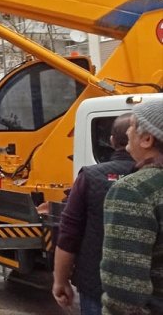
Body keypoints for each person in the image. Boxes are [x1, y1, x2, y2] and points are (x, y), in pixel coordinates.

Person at [52, 113, 135, 315]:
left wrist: (60, 281)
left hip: (96, 284)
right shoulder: (155, 178)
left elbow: (69, 233)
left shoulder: (90, 177)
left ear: (112, 141)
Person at [100, 98, 163, 315]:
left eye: (133, 125)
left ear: (147, 139)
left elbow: (125, 290)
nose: (127, 131)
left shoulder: (134, 190)